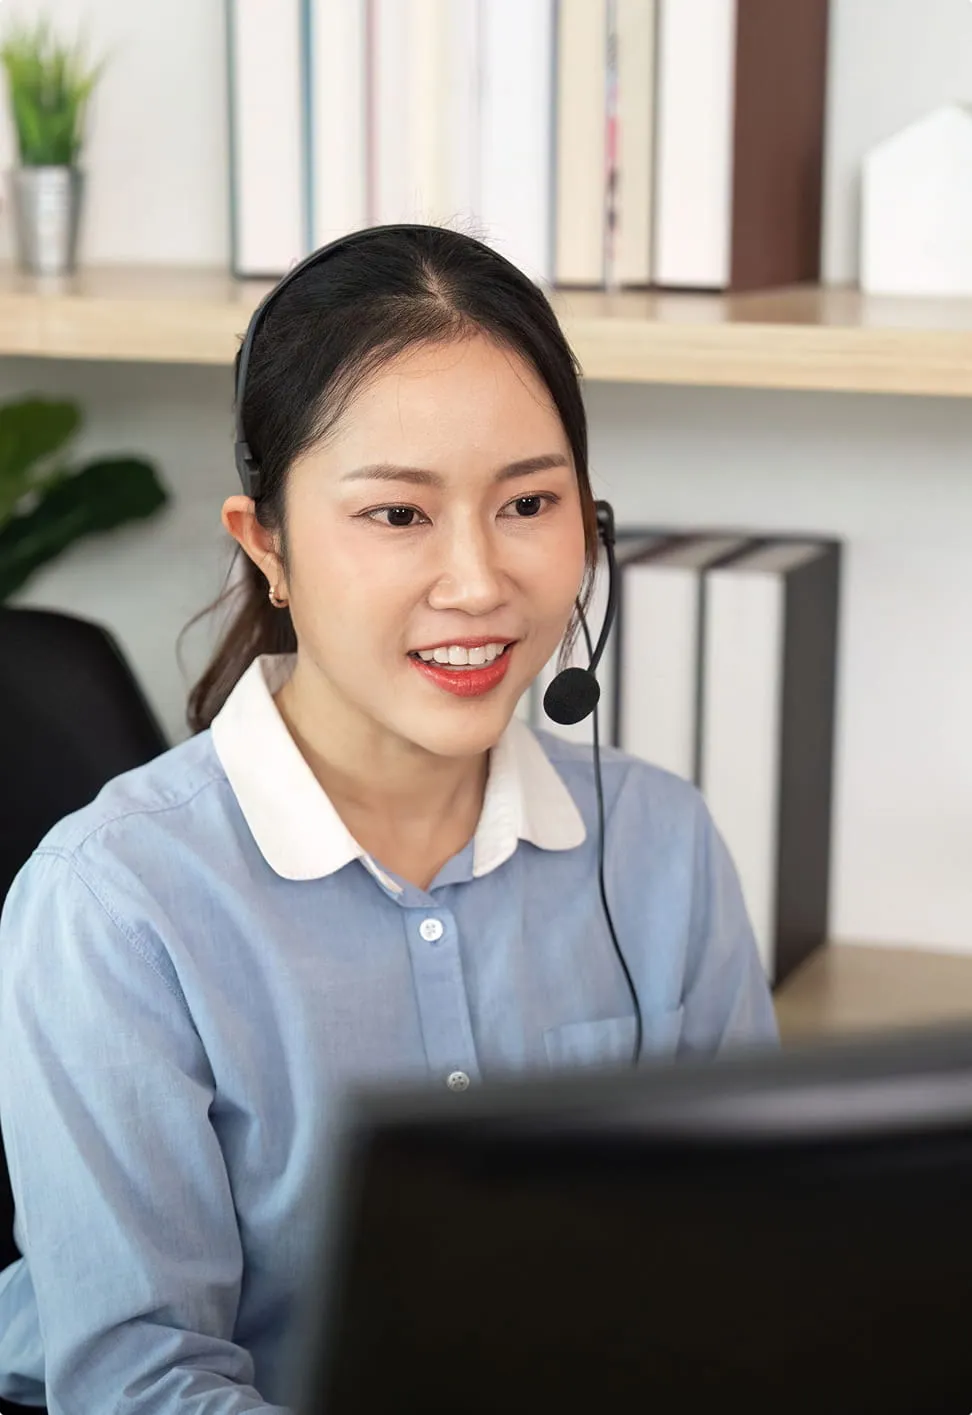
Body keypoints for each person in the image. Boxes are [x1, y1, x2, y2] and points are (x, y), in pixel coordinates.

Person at [0, 224, 777, 1414]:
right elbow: (142, 1381)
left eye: (529, 501)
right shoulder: (114, 902)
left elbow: (749, 1265)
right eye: (398, 514)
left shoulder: (661, 846)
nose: (477, 581)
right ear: (267, 545)